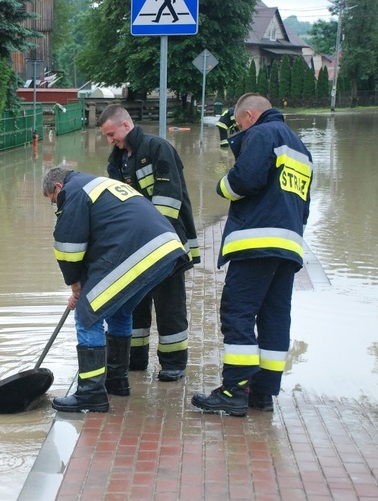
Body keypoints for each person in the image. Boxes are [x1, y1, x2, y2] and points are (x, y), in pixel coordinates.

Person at [191, 93, 313, 417]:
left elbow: (244, 179)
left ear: (248, 115)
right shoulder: (302, 148)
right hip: (288, 248)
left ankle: (233, 391)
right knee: (274, 318)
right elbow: (304, 208)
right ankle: (263, 393)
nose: (238, 129)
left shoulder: (261, 133)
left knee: (238, 313)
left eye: (238, 123)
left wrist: (221, 186)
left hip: (256, 242)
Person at [43, 167, 190, 413]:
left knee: (87, 315)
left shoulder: (74, 192)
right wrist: (80, 286)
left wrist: (76, 288)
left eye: (52, 201)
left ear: (57, 187)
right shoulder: (98, 184)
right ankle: (116, 381)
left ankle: (91, 394)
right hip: (165, 249)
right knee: (119, 312)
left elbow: (69, 247)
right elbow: (101, 243)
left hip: (139, 250)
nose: (56, 205)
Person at [98, 104, 199, 384]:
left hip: (166, 243)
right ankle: (135, 359)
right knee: (136, 304)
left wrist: (150, 239)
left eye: (111, 134)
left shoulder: (158, 149)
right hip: (137, 248)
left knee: (169, 305)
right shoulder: (117, 160)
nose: (110, 141)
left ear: (125, 125)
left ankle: (173, 364)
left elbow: (169, 200)